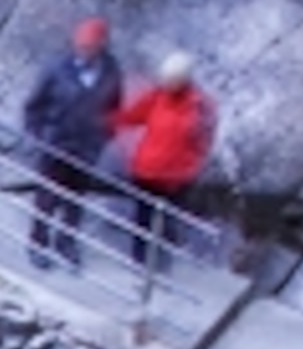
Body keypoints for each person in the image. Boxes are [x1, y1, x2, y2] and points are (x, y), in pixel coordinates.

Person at [22, 16, 122, 269]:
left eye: (89, 47)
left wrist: (103, 136)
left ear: (101, 46)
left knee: (75, 199)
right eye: (80, 46)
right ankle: (38, 242)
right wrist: (38, 136)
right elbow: (34, 105)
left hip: (86, 147)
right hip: (55, 143)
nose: (83, 52)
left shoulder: (111, 73)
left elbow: (114, 109)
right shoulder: (56, 69)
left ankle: (66, 242)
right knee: (47, 197)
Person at [112, 50, 216, 273]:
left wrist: (191, 165)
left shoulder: (200, 105)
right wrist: (111, 117)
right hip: (147, 171)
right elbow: (131, 116)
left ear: (184, 80)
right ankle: (140, 262)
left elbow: (204, 140)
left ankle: (160, 262)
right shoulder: (156, 96)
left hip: (176, 177)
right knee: (143, 218)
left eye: (171, 80)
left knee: (167, 222)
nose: (166, 83)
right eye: (165, 79)